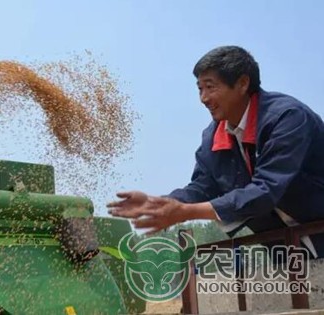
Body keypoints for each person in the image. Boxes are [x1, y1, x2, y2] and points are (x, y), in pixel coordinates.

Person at [108, 46, 324, 258]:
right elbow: (202, 187)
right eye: (199, 89)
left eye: (210, 87)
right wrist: (159, 204)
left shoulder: (286, 119)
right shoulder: (213, 136)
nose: (203, 98)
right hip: (287, 247)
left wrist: (185, 213)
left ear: (242, 83)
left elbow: (266, 189)